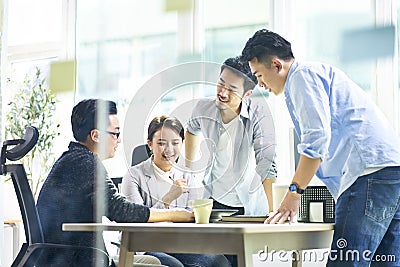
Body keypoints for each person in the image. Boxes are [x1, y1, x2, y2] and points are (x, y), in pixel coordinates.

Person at [241, 29, 400, 266]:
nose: (261, 84)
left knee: (346, 262)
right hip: (390, 171)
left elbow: (317, 139)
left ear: (276, 65)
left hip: (368, 173)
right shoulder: (317, 73)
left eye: (259, 75)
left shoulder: (301, 77)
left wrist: (294, 193)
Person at [36, 99, 193, 267]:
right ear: (95, 135)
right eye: (115, 134)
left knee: (158, 262)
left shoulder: (73, 159)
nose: (118, 141)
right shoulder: (85, 163)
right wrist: (175, 213)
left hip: (68, 256)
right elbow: (121, 210)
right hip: (73, 259)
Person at [122, 115, 231, 267]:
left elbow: (192, 217)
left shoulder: (188, 176)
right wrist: (167, 199)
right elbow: (136, 220)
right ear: (150, 145)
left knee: (219, 261)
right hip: (147, 246)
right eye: (161, 143)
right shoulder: (134, 175)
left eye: (175, 143)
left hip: (182, 244)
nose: (169, 149)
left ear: (182, 144)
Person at [185, 56, 277, 216]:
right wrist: (189, 169)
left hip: (246, 203)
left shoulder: (259, 115)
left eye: (232, 89)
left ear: (247, 94)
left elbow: (267, 164)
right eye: (221, 83)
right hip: (213, 200)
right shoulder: (203, 108)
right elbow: (192, 129)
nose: (222, 92)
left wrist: (271, 212)